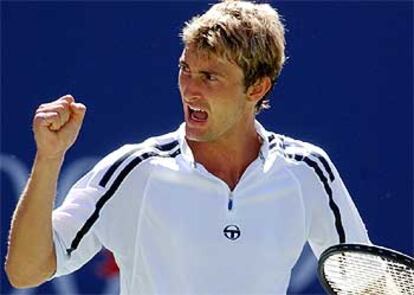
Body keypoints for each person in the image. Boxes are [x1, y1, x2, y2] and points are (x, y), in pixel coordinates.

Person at [5, 1, 370, 294]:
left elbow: (366, 284)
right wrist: (50, 158)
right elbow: (25, 271)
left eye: (209, 77)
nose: (190, 89)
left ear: (257, 88)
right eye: (185, 70)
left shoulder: (307, 170)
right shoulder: (136, 170)